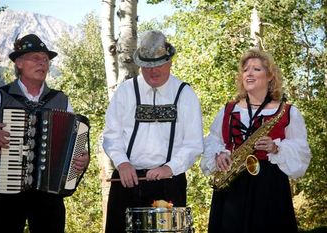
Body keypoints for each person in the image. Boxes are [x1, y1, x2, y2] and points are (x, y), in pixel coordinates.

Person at [0, 34, 90, 233]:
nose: (42, 63)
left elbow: (75, 140)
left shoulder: (61, 99)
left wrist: (81, 158)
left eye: (45, 59)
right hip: (8, 192)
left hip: (49, 195)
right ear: (19, 63)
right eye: (35, 58)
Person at [102, 30, 204, 233]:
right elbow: (111, 135)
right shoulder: (125, 91)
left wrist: (170, 168)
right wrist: (122, 163)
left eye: (158, 65)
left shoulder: (185, 94)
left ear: (170, 62)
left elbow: (193, 144)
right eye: (147, 67)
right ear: (140, 65)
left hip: (169, 181)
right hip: (127, 179)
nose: (153, 71)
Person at [200, 48, 311, 233]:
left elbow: (302, 151)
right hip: (232, 183)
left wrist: (276, 148)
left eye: (256, 69)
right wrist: (218, 154)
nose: (249, 73)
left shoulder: (288, 112)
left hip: (270, 185)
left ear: (269, 76)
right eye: (245, 70)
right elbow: (212, 140)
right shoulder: (228, 109)